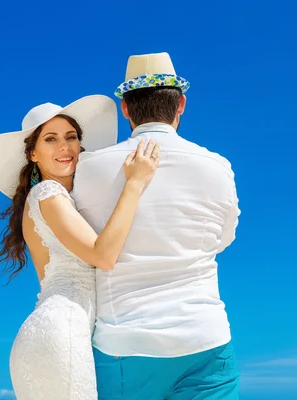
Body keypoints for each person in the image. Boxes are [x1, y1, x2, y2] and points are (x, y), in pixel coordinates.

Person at [72, 53, 241, 399]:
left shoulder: (88, 168)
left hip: (125, 344)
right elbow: (222, 239)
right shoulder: (217, 167)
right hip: (204, 339)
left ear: (125, 109)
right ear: (181, 104)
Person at [0, 95, 161, 400]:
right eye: (50, 139)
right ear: (33, 154)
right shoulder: (47, 193)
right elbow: (103, 255)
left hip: (59, 333)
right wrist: (135, 184)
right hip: (61, 332)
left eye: (71, 137)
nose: (64, 146)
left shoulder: (59, 199)